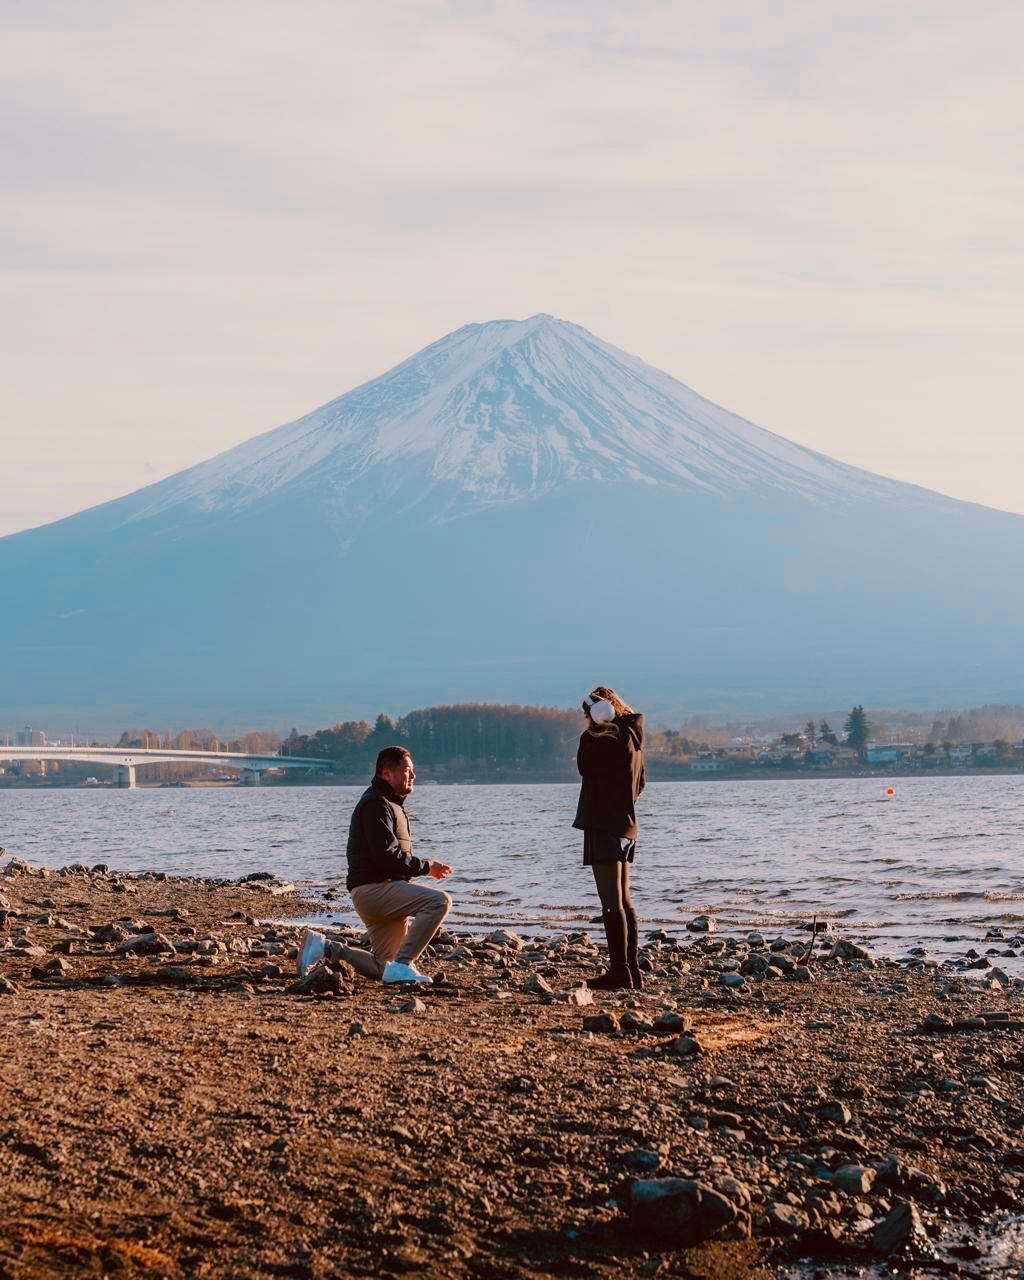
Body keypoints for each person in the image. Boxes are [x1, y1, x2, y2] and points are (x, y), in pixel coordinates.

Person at [297, 746, 452, 985]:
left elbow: (389, 857)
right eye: (406, 770)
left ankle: (325, 947)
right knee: (439, 901)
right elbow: (386, 857)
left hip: (378, 891)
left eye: (412, 771)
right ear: (386, 774)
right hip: (375, 891)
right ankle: (403, 964)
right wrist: (426, 867)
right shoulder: (376, 804)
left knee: (383, 967)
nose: (413, 776)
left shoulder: (389, 803)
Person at [573, 685, 645, 990]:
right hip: (625, 826)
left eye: (587, 712)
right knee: (624, 902)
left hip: (602, 825)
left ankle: (619, 972)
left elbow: (584, 767)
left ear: (599, 712)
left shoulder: (602, 741)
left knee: (610, 904)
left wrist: (590, 736)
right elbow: (640, 784)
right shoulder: (632, 738)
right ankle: (632, 971)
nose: (586, 719)